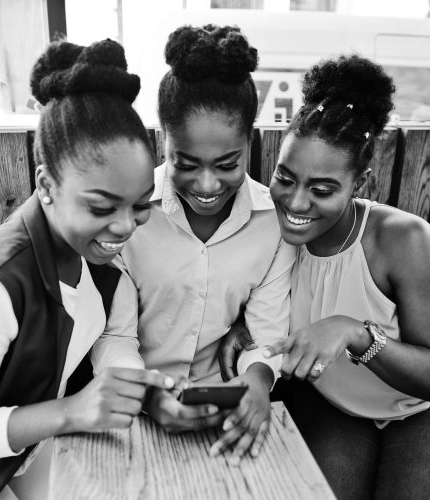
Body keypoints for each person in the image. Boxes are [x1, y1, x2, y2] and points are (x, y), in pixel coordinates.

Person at [220, 54, 430, 499]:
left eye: (322, 190)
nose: (296, 203)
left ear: (359, 182)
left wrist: (356, 334)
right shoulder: (271, 231)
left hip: (420, 412)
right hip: (335, 408)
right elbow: (267, 302)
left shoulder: (404, 241)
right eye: (285, 178)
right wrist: (241, 326)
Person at [0, 38, 175, 500]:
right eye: (101, 206)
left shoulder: (94, 256)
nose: (124, 226)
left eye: (139, 205)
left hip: (19, 452)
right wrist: (70, 412)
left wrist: (136, 387)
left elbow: (113, 336)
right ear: (46, 184)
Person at [92, 24, 296, 465]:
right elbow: (115, 336)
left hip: (226, 406)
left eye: (227, 164)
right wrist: (149, 396)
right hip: (131, 406)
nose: (207, 185)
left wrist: (257, 383)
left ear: (249, 142)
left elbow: (266, 336)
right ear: (162, 138)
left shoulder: (271, 225)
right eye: (186, 163)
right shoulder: (132, 217)